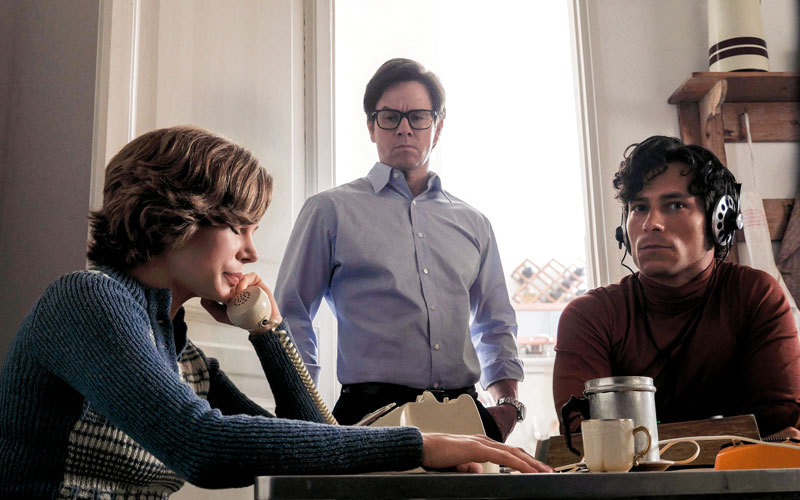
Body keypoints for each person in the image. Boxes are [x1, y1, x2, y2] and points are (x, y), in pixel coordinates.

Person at [0, 127, 551, 498]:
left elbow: (306, 444)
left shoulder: (179, 354)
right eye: (238, 227)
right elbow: (204, 446)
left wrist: (268, 329)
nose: (251, 252)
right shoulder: (89, 300)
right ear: (175, 214)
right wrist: (421, 444)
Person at [275, 58, 524, 442]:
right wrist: (303, 409)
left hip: (466, 416)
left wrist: (508, 405)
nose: (404, 128)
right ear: (371, 126)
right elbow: (291, 312)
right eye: (390, 117)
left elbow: (495, 322)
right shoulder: (330, 211)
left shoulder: (475, 224)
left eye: (418, 117)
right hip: (370, 414)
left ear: (438, 127)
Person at [553, 135, 800, 438]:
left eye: (675, 205)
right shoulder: (590, 316)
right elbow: (584, 437)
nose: (650, 223)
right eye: (639, 207)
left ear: (719, 222)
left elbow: (780, 427)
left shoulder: (756, 296)